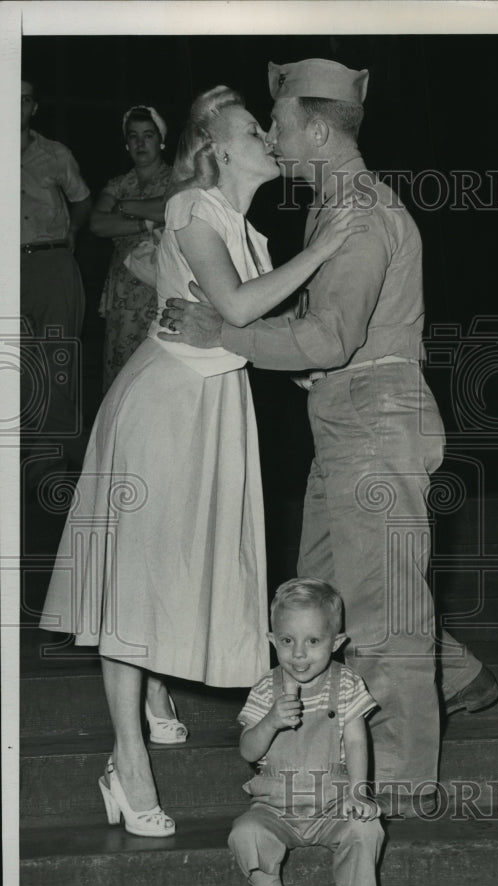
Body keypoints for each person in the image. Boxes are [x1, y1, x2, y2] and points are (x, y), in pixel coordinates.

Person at [159, 58, 498, 818]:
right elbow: (331, 337)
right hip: (350, 417)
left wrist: (229, 332)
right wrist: (316, 360)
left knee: (382, 618)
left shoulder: (359, 213)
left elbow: (329, 333)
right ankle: (414, 704)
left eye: (277, 125)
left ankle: (405, 789)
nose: (273, 138)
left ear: (314, 128)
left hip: (375, 424)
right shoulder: (331, 211)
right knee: (323, 600)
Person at [40, 85, 365, 838]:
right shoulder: (191, 207)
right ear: (217, 146)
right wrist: (322, 248)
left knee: (173, 568)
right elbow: (240, 308)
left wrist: (303, 365)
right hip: (163, 407)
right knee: (136, 578)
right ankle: (127, 762)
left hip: (214, 411)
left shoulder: (247, 234)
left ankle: (149, 689)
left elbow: (247, 326)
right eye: (253, 129)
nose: (266, 138)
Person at [229, 578, 385, 886]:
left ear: (337, 642)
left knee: (367, 828)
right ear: (272, 641)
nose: (299, 654)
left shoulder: (347, 684)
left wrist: (359, 793)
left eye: (313, 641)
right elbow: (248, 751)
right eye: (287, 641)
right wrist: (269, 721)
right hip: (275, 806)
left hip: (332, 801)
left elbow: (358, 740)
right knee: (244, 832)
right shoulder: (265, 689)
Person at [21, 74, 92, 490]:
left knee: (57, 366)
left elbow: (82, 200)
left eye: (24, 99)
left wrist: (73, 232)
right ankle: (94, 451)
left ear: (34, 107)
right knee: (22, 371)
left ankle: (47, 471)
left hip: (51, 263)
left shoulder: (55, 154)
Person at [90, 105, 172, 390]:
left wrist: (124, 209)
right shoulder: (118, 183)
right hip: (124, 293)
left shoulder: (177, 178)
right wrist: (145, 224)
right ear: (126, 144)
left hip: (162, 288)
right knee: (121, 375)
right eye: (133, 136)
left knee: (158, 375)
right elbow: (98, 224)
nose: (140, 143)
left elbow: (168, 208)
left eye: (148, 135)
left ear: (161, 140)